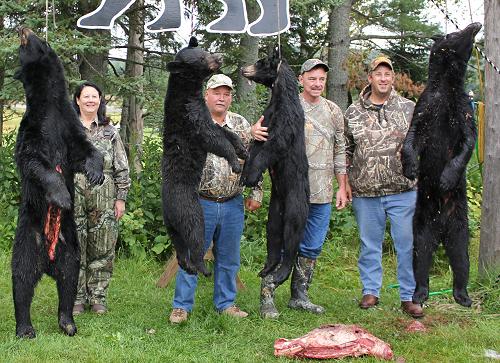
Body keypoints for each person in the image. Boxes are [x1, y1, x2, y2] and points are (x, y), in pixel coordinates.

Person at [256, 59, 348, 319]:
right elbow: (264, 145)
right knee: (282, 244)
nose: (317, 84)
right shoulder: (286, 105)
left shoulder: (333, 111)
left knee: (311, 247)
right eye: (312, 78)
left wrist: (342, 186)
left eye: (321, 79)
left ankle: (300, 296)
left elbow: (340, 148)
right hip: (290, 192)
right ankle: (267, 295)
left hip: (322, 192)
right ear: (300, 79)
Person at [169, 74, 264, 324]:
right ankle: (181, 307)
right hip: (200, 201)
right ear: (206, 95)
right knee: (192, 254)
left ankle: (226, 303)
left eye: (227, 93)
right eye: (217, 92)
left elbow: (254, 159)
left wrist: (256, 191)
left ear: (231, 97)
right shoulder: (193, 124)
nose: (222, 97)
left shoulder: (242, 125)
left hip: (233, 202)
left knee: (229, 257)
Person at [344, 56, 424, 318]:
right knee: (369, 244)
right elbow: (345, 150)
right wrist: (343, 185)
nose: (383, 78)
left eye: (387, 74)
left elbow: (423, 145)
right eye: (378, 74)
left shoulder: (409, 108)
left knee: (406, 243)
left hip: (404, 191)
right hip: (366, 193)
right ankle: (370, 290)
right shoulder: (353, 112)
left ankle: (409, 296)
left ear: (393, 78)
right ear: (370, 78)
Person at [72, 81, 131, 315]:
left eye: (94, 96)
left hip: (104, 196)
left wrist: (121, 198)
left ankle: (97, 296)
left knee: (103, 246)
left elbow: (122, 167)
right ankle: (75, 297)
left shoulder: (110, 131)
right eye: (85, 96)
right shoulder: (67, 130)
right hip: (72, 195)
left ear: (99, 100)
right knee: (75, 246)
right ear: (77, 100)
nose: (90, 100)